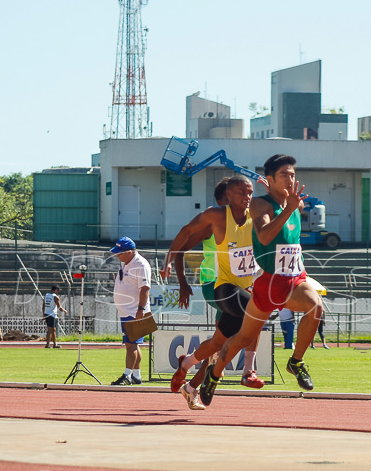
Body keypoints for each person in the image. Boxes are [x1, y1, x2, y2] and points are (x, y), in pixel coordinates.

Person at [200, 154, 323, 406]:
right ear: (270, 179)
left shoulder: (297, 204)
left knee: (316, 307)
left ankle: (296, 361)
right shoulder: (259, 205)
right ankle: (214, 374)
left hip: (295, 278)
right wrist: (286, 208)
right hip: (269, 284)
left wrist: (290, 205)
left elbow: (293, 217)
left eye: (292, 174)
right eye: (284, 175)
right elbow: (265, 237)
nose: (291, 179)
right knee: (243, 339)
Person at [161, 175, 263, 410]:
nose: (246, 198)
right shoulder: (212, 222)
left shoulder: (253, 217)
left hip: (242, 288)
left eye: (249, 193)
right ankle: (247, 370)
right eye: (239, 193)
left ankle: (188, 373)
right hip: (215, 285)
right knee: (256, 310)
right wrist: (181, 280)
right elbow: (183, 241)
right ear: (226, 198)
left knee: (220, 342)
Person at [110, 237, 151, 386]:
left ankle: (127, 375)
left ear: (129, 252)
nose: (117, 255)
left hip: (135, 311)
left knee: (131, 344)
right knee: (134, 344)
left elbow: (145, 288)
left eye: (120, 253)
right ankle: (136, 375)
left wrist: (140, 309)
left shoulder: (141, 265)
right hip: (126, 311)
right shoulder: (125, 261)